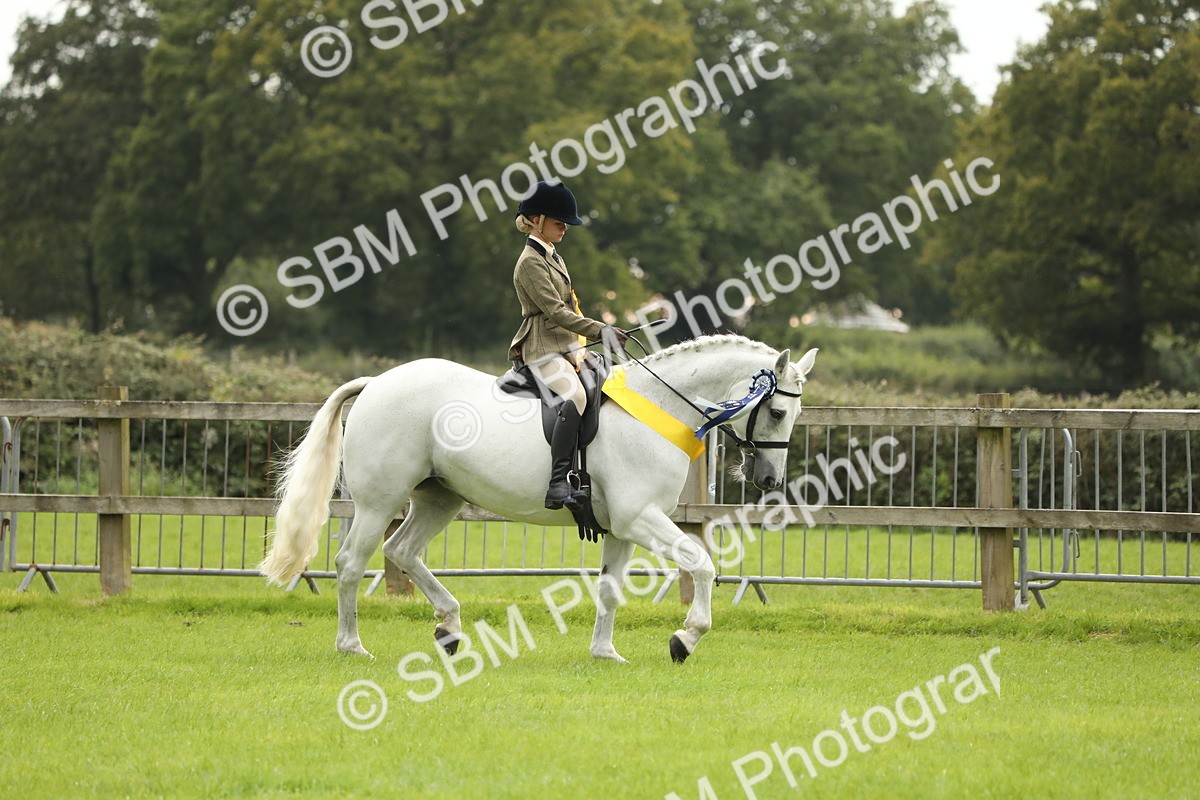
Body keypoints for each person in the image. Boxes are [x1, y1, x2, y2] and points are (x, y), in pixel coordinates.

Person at [508, 181, 627, 510]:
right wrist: (600, 330)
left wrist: (600, 334)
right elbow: (556, 312)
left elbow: (571, 307)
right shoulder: (529, 263)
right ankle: (558, 482)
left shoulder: (552, 257)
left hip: (569, 345)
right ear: (538, 221)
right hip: (543, 348)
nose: (565, 229)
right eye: (560, 223)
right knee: (574, 394)